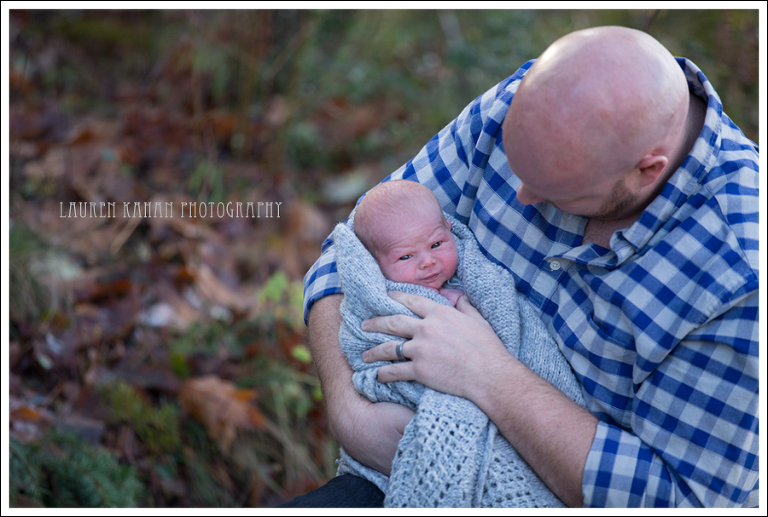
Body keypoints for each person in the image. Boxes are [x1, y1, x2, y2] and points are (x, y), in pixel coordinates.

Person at [296, 26, 759, 508]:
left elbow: (678, 501)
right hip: (400, 467)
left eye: (557, 192)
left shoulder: (740, 279)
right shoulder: (526, 104)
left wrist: (488, 374)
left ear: (649, 169)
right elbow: (350, 247)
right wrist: (349, 415)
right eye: (518, 169)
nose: (523, 197)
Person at [353, 179, 465, 306]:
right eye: (405, 257)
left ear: (449, 230)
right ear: (374, 262)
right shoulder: (382, 297)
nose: (428, 262)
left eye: (436, 245)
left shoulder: (469, 272)